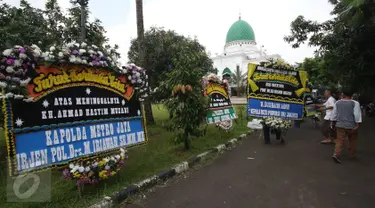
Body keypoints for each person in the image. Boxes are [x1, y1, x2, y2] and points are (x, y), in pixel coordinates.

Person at [330, 90, 362, 163]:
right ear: (351, 95)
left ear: (343, 95)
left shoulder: (338, 102)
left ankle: (336, 154)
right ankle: (352, 154)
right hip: (351, 125)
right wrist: (357, 124)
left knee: (340, 140)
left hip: (340, 125)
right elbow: (356, 114)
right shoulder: (355, 103)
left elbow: (334, 113)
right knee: (352, 140)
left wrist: (332, 122)